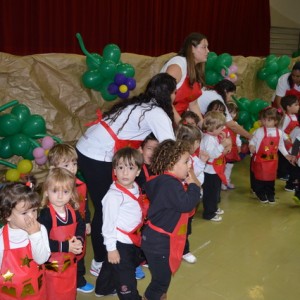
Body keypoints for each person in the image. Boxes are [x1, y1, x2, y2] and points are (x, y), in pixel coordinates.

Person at [76, 73, 176, 277]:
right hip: (95, 155)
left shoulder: (141, 105)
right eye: (174, 93)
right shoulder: (155, 112)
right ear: (169, 94)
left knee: (131, 198)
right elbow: (170, 147)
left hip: (93, 150)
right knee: (106, 207)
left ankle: (130, 252)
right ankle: (101, 260)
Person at [141, 139, 201, 300]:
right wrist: (193, 185)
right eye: (186, 161)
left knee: (162, 279)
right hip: (159, 242)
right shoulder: (170, 184)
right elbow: (187, 204)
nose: (189, 165)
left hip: (158, 238)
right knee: (160, 281)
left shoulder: (165, 180)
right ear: (172, 163)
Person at [95, 147, 144, 299]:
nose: (125, 172)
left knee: (112, 265)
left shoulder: (135, 187)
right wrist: (111, 248)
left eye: (130, 168)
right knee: (126, 275)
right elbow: (108, 225)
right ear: (114, 170)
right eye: (120, 167)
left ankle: (103, 288)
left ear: (138, 172)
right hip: (119, 242)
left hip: (131, 238)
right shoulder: (114, 197)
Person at [47, 143, 94, 293]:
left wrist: (86, 221)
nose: (72, 168)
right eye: (66, 164)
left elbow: (85, 204)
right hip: (58, 229)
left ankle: (78, 279)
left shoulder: (81, 185)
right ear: (54, 168)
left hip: (76, 225)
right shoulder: (52, 190)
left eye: (74, 163)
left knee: (79, 251)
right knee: (60, 257)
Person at [38, 168, 86, 300]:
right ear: (46, 192)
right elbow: (42, 241)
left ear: (71, 194)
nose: (60, 196)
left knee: (69, 292)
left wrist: (79, 240)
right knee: (54, 294)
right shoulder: (45, 215)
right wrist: (66, 247)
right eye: (55, 191)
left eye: (65, 191)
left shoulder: (73, 211)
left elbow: (80, 226)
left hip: (69, 265)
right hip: (51, 267)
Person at [0, 179, 50, 300]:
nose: (32, 217)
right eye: (24, 213)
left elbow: (41, 259)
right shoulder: (1, 237)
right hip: (9, 294)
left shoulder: (40, 229)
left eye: (34, 210)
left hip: (36, 293)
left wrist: (35, 235)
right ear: (8, 215)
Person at [175, 124, 208, 264]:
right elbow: (195, 178)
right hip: (183, 197)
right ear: (193, 143)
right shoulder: (181, 159)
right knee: (179, 226)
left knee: (185, 227)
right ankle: (182, 250)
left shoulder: (191, 157)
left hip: (188, 197)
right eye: (198, 142)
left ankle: (183, 249)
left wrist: (201, 162)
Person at [161, 32, 209, 125]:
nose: (208, 51)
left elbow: (193, 104)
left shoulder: (196, 69)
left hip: (177, 119)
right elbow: (164, 97)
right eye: (204, 47)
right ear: (192, 48)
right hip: (163, 118)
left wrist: (204, 128)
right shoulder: (177, 65)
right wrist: (180, 124)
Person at [249, 107, 294, 203]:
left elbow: (280, 145)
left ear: (276, 121)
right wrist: (251, 146)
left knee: (270, 179)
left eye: (269, 120)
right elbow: (252, 140)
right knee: (259, 178)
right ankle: (260, 193)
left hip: (272, 161)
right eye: (263, 119)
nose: (265, 122)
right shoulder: (259, 131)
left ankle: (270, 194)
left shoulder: (280, 133)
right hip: (260, 160)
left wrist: (287, 155)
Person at [200, 111, 232, 221]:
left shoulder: (213, 137)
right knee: (210, 193)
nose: (223, 129)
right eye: (220, 127)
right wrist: (223, 145)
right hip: (210, 171)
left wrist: (222, 141)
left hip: (215, 169)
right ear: (212, 128)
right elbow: (212, 155)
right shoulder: (208, 139)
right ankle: (209, 213)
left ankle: (213, 208)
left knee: (216, 191)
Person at [278, 95, 300, 188]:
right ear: (288, 107)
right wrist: (286, 139)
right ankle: (284, 175)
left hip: (293, 141)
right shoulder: (286, 118)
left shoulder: (294, 116)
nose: (298, 106)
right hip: (286, 143)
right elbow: (280, 130)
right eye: (296, 104)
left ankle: (290, 176)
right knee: (287, 160)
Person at [222, 102, 242, 190]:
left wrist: (239, 145)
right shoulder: (222, 125)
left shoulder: (236, 124)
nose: (232, 115)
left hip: (232, 148)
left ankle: (227, 181)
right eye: (229, 113)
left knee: (230, 166)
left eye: (234, 113)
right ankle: (222, 182)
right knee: (221, 165)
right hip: (223, 148)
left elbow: (237, 136)